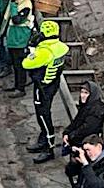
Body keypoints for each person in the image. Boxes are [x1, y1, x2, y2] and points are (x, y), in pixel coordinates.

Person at [23, 19, 69, 159]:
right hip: (52, 83)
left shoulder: (44, 51)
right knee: (44, 113)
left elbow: (26, 63)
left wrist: (32, 48)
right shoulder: (61, 47)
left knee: (43, 115)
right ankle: (44, 140)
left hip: (42, 85)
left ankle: (49, 146)